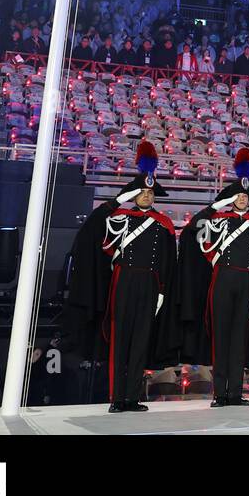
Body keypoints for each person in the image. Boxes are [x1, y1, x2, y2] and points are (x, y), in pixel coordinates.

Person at [178, 148, 249, 408]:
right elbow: (191, 232)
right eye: (237, 195)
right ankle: (220, 393)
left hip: (247, 284)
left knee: (239, 340)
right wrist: (215, 206)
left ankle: (235, 393)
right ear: (231, 198)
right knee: (221, 338)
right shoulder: (217, 219)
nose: (242, 199)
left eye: (244, 195)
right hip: (221, 281)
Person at [94, 141, 180, 411]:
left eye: (150, 192)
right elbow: (100, 234)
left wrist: (163, 291)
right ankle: (116, 398)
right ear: (133, 194)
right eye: (142, 192)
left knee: (141, 340)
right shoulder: (120, 216)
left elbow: (168, 260)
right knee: (121, 339)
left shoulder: (163, 222)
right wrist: (118, 199)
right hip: (125, 279)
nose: (146, 196)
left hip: (150, 283)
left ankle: (132, 397)